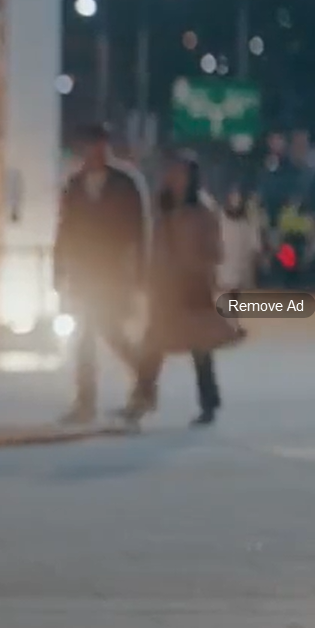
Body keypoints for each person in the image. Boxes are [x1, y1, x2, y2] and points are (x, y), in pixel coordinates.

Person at [125, 152, 234, 426]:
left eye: (180, 173)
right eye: (171, 172)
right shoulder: (162, 209)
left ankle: (208, 403)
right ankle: (141, 399)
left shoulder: (202, 212)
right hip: (165, 288)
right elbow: (155, 247)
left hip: (192, 287)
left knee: (200, 347)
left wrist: (198, 268)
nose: (173, 178)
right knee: (153, 345)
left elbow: (215, 251)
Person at [53, 123, 150, 423]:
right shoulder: (75, 185)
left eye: (99, 146)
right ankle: (85, 402)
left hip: (112, 272)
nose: (94, 152)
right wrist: (59, 269)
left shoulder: (124, 184)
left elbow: (137, 231)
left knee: (112, 332)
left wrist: (139, 272)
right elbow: (65, 228)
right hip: (85, 272)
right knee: (84, 338)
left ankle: (144, 380)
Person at [215, 188, 261, 297]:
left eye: (238, 200)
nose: (235, 203)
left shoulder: (249, 224)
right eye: (233, 199)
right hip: (223, 282)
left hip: (243, 283)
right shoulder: (219, 222)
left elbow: (255, 251)